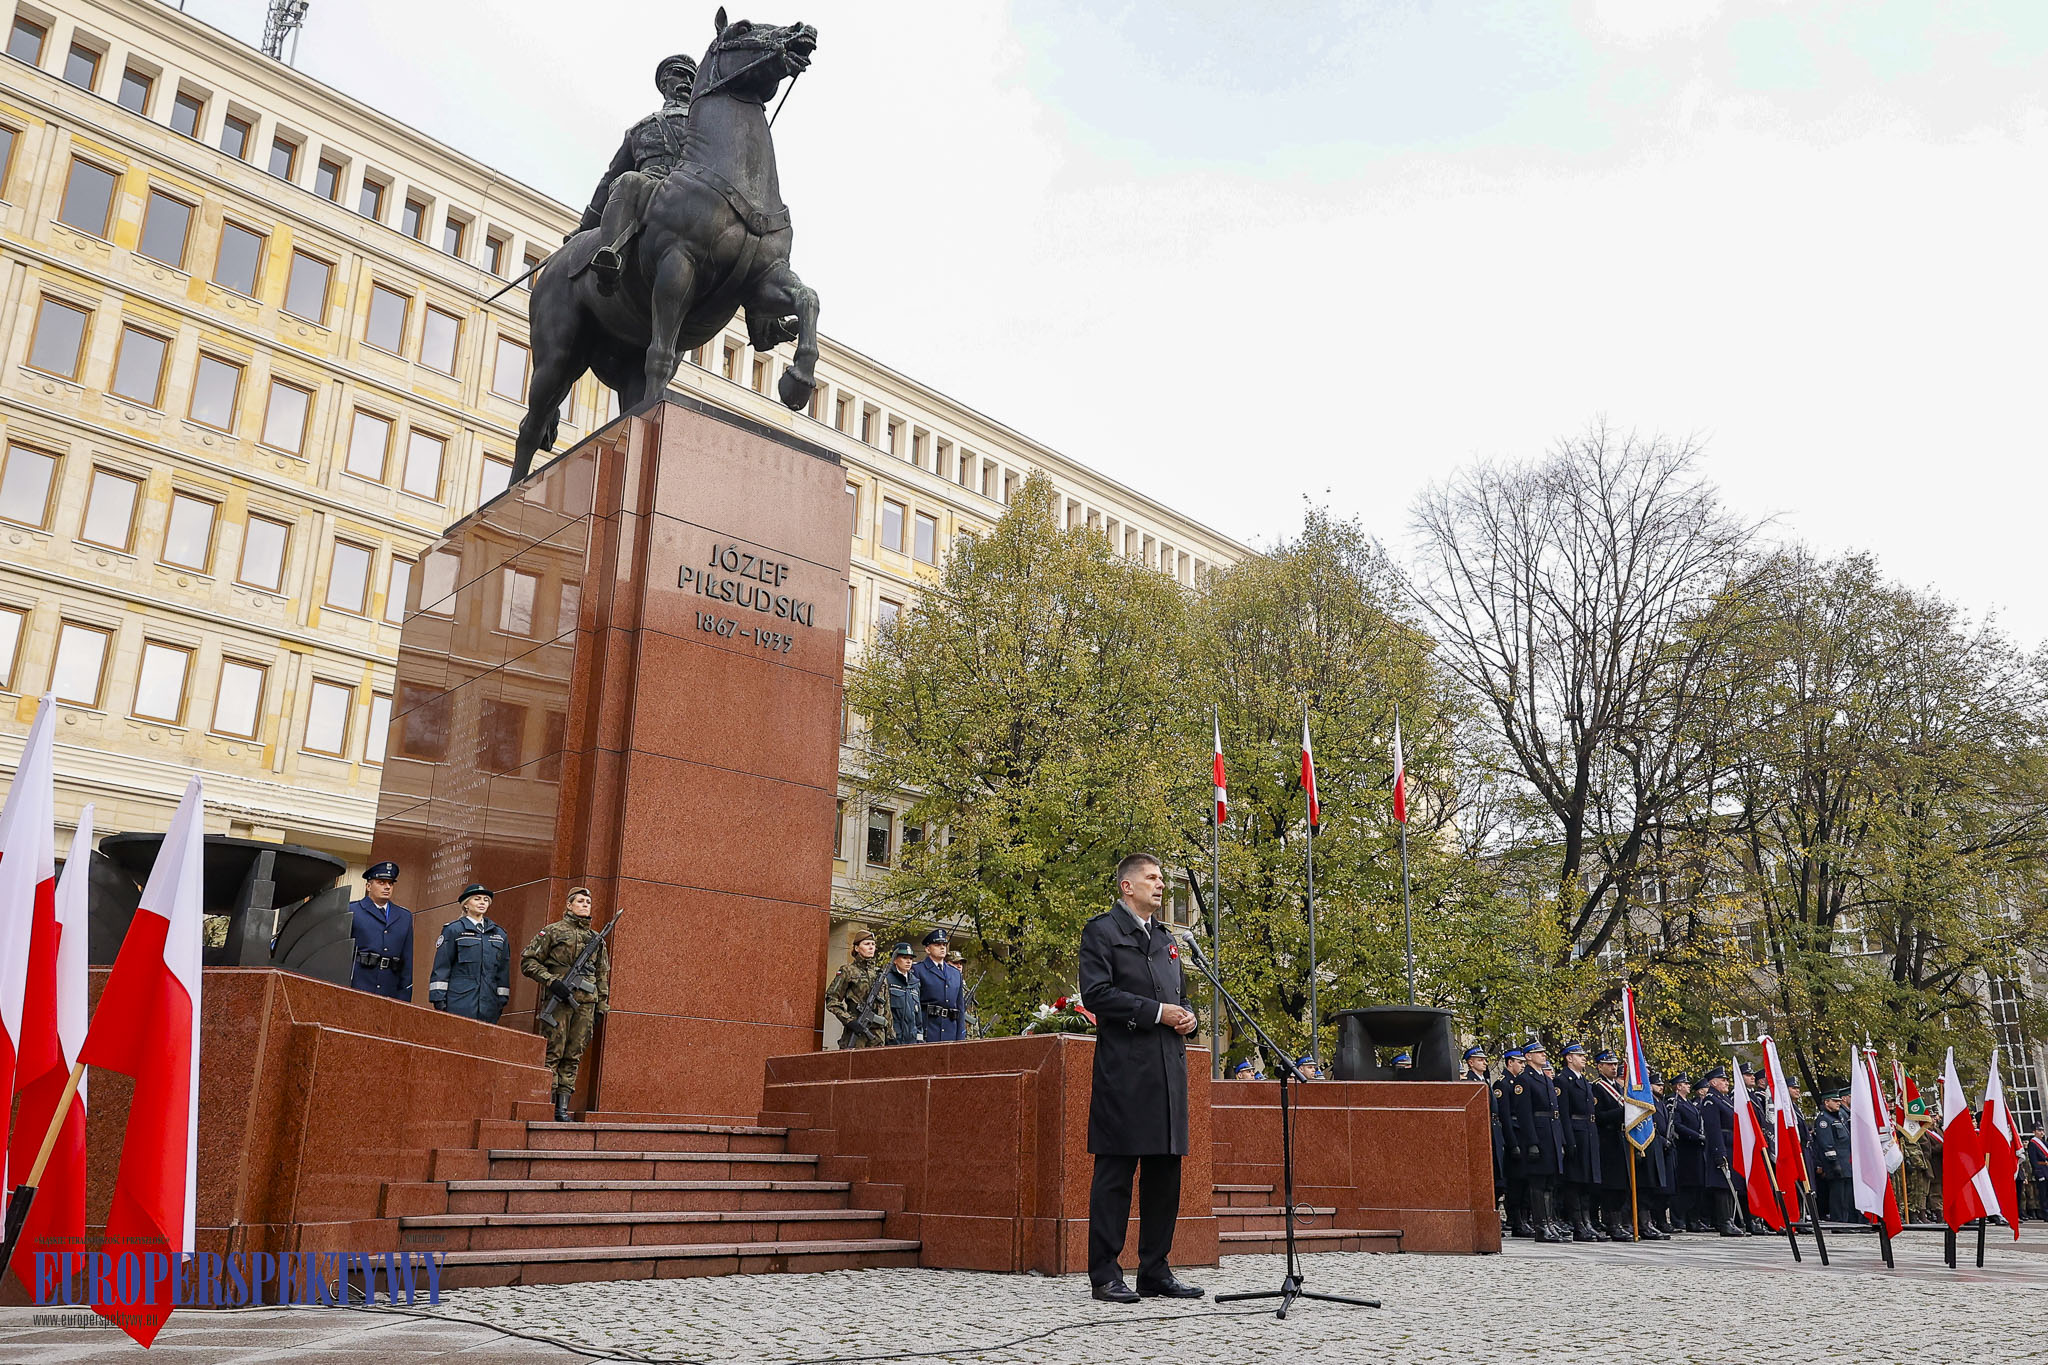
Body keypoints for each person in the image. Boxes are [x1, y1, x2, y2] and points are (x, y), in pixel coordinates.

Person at [1079, 852, 1202, 1304]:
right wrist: (1156, 1012)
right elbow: (1096, 993)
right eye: (1152, 878)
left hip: (1169, 1072)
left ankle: (1156, 1270)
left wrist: (1188, 1018)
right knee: (1115, 1174)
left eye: (1162, 878)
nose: (1161, 885)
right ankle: (1105, 1274)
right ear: (1127, 886)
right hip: (1125, 1073)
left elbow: (1180, 997)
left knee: (1165, 1176)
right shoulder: (1102, 931)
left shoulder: (1169, 940)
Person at [574, 54, 697, 292]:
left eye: (692, 77)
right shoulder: (640, 129)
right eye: (680, 75)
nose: (688, 82)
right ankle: (611, 257)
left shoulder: (704, 122)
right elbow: (608, 179)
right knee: (627, 180)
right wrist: (585, 227)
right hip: (648, 186)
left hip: (692, 187)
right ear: (665, 84)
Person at [520, 887, 611, 1123]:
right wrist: (552, 981)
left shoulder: (596, 939)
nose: (585, 905)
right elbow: (528, 961)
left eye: (588, 902)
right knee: (553, 1053)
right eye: (580, 901)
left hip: (585, 1005)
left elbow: (602, 974)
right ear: (569, 905)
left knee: (573, 1055)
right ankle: (545, 1106)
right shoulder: (552, 931)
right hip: (559, 1001)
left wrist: (601, 1006)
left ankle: (562, 1109)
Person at [1505, 1041, 1565, 1242]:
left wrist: (1561, 1140)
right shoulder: (1525, 1080)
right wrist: (1531, 1141)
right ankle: (1541, 1226)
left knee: (1549, 1183)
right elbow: (1524, 1114)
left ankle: (1549, 1223)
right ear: (1528, 1056)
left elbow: (1555, 1113)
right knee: (1538, 1183)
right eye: (1538, 1052)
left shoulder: (1545, 1079)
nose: (1543, 1055)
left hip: (1550, 1135)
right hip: (1538, 1135)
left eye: (1543, 1051)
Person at [427, 884, 512, 1024]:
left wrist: (501, 1000)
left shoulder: (499, 934)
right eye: (477, 899)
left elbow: (503, 970)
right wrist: (439, 999)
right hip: (459, 1002)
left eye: (485, 900)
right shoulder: (454, 930)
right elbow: (442, 966)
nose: (482, 903)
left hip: (489, 1004)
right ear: (466, 905)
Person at [1590, 1049, 1643, 1240]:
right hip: (1608, 1140)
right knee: (1612, 1186)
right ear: (1600, 1066)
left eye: (1615, 1064)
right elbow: (1599, 1116)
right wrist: (1622, 1112)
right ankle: (1612, 1224)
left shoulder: (1620, 1088)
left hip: (1621, 1139)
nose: (1614, 1068)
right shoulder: (1597, 1088)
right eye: (1609, 1065)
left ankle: (1622, 1222)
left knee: (1623, 1185)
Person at [1557, 1042, 1604, 1241]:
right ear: (1569, 1058)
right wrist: (1569, 1140)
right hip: (1576, 1132)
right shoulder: (1563, 1080)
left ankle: (1587, 1222)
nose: (1584, 1058)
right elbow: (1565, 1114)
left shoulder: (1584, 1080)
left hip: (1588, 1132)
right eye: (1579, 1055)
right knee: (1575, 1182)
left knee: (1586, 1182)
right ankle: (1578, 1224)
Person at [347, 861, 414, 1000]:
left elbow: (407, 958)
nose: (387, 887)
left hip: (389, 989)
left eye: (390, 883)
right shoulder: (353, 910)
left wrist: (405, 993)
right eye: (381, 882)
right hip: (358, 985)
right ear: (368, 886)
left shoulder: (404, 916)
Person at [824, 924, 890, 1048]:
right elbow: (832, 999)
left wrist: (890, 1034)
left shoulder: (879, 974)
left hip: (878, 1036)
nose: (871, 947)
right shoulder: (848, 971)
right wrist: (849, 1021)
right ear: (857, 948)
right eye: (866, 944)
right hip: (856, 1031)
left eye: (873, 944)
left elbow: (886, 1007)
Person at [1697, 1065, 1745, 1236]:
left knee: (1730, 1185)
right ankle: (1724, 1222)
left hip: (1731, 1146)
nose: (1727, 1082)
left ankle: (1729, 1220)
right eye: (1723, 1080)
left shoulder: (1724, 1099)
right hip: (1721, 1145)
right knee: (1722, 1185)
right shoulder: (1711, 1099)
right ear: (1713, 1082)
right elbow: (1714, 1128)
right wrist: (1719, 1152)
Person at [1670, 1075, 1710, 1232]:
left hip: (1696, 1148)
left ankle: (1694, 1219)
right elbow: (1677, 1124)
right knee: (1686, 1185)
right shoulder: (1675, 1102)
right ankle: (1680, 1218)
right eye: (1685, 1083)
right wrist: (1696, 1135)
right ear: (1678, 1087)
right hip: (1685, 1147)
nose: (1688, 1086)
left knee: (1697, 1185)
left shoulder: (1690, 1104)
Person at [912, 929, 967, 1041]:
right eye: (937, 945)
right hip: (929, 1029)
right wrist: (917, 1034)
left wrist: (961, 1035)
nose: (942, 947)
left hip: (951, 1030)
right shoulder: (918, 970)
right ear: (928, 949)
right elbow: (913, 1006)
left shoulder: (955, 973)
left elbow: (960, 1007)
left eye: (944, 944)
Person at [882, 944, 923, 1044]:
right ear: (895, 960)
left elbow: (918, 1017)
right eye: (904, 958)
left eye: (911, 958)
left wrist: (920, 1039)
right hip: (893, 1039)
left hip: (912, 1040)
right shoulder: (886, 979)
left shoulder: (915, 982)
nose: (908, 961)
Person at [2025, 1125, 2048, 1222]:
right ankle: (2046, 1213)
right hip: (2041, 1170)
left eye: (2042, 1131)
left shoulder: (2044, 1143)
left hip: (2046, 1169)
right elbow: (2033, 1160)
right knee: (2043, 1194)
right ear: (2034, 1132)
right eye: (2039, 1131)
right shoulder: (2033, 1143)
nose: (2042, 1133)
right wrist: (2039, 1173)